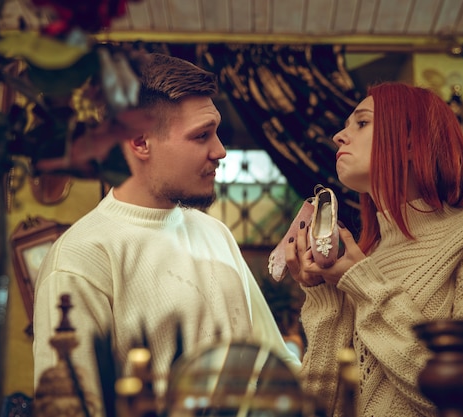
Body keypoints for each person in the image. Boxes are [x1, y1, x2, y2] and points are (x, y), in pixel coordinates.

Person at [32, 53, 300, 406]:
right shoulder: (81, 260)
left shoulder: (215, 233)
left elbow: (275, 369)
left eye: (216, 132)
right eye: (202, 135)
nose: (220, 151)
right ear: (140, 141)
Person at [285, 82, 463, 416]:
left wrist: (362, 282)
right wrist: (324, 293)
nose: (338, 135)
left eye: (361, 122)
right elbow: (320, 407)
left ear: (410, 140)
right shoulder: (365, 257)